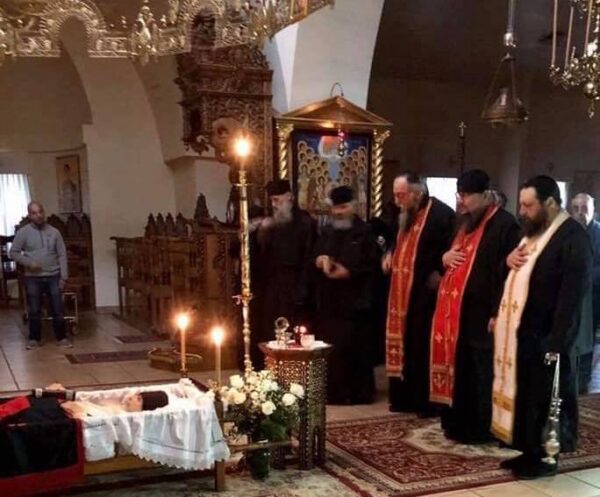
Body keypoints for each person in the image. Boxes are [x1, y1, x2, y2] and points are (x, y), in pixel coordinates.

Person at [493, 175, 593, 479]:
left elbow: (573, 295)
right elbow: (513, 275)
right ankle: (528, 450)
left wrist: (558, 341)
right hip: (525, 333)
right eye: (522, 205)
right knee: (528, 395)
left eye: (528, 205)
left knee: (550, 398)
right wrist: (507, 260)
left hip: (552, 335)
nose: (522, 211)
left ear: (549, 202)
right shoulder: (533, 233)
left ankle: (547, 458)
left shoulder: (572, 236)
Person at [430, 170, 520, 444]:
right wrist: (444, 257)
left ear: (485, 195)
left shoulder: (505, 224)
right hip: (456, 314)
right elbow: (447, 257)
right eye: (460, 194)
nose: (462, 200)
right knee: (459, 368)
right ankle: (455, 423)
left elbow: (507, 272)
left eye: (467, 195)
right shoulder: (464, 222)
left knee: (480, 371)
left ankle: (480, 429)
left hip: (482, 314)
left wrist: (496, 311)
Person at [384, 173, 455, 416]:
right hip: (399, 293)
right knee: (404, 344)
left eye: (401, 195)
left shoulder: (442, 215)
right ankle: (401, 398)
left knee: (420, 347)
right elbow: (396, 242)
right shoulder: (404, 213)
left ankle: (423, 402)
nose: (397, 201)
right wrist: (389, 254)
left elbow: (451, 250)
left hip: (424, 295)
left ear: (417, 193)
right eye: (395, 195)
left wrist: (439, 271)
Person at [313, 186, 378, 404]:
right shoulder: (327, 231)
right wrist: (320, 260)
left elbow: (373, 266)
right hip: (330, 301)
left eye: (343, 207)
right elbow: (315, 255)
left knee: (355, 348)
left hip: (355, 302)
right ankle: (334, 392)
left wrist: (349, 272)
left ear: (353, 206)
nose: (339, 212)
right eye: (336, 208)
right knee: (332, 348)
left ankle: (358, 393)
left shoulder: (365, 232)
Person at [249, 179, 316, 368]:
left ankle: (292, 372)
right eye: (272, 201)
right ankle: (270, 371)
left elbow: (308, 259)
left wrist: (302, 292)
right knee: (269, 331)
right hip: (272, 287)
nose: (274, 205)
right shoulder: (269, 223)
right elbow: (259, 256)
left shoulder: (305, 223)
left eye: (277, 200)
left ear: (289, 197)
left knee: (292, 333)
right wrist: (256, 233)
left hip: (295, 287)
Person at [10, 201, 72, 349]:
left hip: (53, 275)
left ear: (44, 213)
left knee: (57, 308)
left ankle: (62, 338)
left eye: (40, 212)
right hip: (33, 278)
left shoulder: (55, 232)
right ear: (29, 215)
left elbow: (62, 254)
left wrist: (64, 277)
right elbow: (13, 253)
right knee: (34, 309)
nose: (38, 215)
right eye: (34, 213)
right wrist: (29, 263)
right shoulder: (23, 233)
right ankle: (34, 339)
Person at [570, 193, 600, 394]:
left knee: (587, 341)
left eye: (585, 208)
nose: (581, 213)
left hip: (593, 297)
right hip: (569, 297)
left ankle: (583, 380)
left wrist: (586, 277)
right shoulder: (567, 232)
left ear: (593, 210)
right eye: (577, 209)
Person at [61, 390, 169, 419]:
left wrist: (79, 411)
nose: (131, 397)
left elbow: (94, 419)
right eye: (136, 395)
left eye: (138, 399)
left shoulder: (123, 418)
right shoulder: (120, 406)